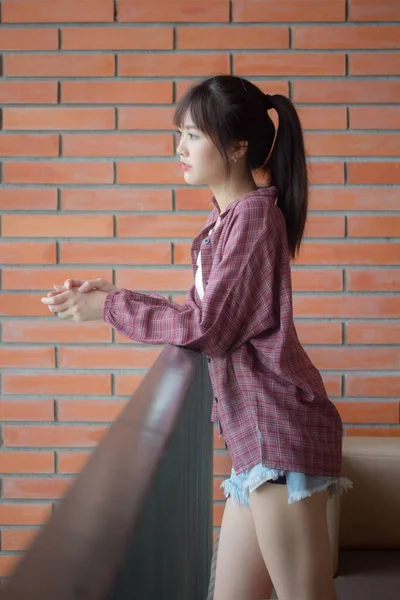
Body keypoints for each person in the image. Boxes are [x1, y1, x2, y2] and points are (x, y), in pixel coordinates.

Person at [42, 75, 352, 600]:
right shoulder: (227, 221)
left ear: (236, 147)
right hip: (256, 443)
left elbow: (208, 330)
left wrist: (109, 308)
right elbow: (203, 314)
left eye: (192, 135)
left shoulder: (253, 220)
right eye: (179, 135)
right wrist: (116, 295)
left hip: (278, 436)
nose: (180, 149)